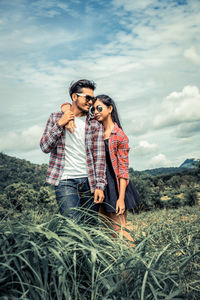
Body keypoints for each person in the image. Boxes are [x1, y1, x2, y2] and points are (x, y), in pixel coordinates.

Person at [61, 94, 141, 243]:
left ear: (110, 109)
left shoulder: (120, 136)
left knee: (119, 230)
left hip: (115, 187)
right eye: (93, 109)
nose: (95, 112)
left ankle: (133, 263)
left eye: (99, 108)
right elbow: (70, 105)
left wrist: (121, 198)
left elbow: (123, 170)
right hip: (98, 185)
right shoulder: (94, 128)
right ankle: (116, 263)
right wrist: (66, 109)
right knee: (106, 231)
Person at [40, 79, 106, 223]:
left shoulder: (94, 124)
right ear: (74, 97)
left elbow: (100, 158)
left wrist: (99, 186)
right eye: (87, 98)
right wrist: (60, 124)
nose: (90, 102)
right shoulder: (55, 118)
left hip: (90, 182)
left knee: (91, 226)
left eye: (92, 99)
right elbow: (45, 147)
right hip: (65, 181)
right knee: (72, 226)